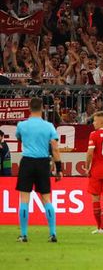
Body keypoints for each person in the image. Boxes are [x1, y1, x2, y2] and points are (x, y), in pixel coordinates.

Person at [14, 97, 61, 243]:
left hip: (27, 162)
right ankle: (53, 233)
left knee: (24, 199)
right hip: (43, 163)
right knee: (46, 199)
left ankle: (23, 235)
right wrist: (58, 169)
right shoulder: (49, 126)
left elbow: (19, 139)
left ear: (29, 108)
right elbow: (55, 148)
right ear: (42, 108)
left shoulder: (22, 125)